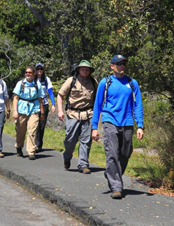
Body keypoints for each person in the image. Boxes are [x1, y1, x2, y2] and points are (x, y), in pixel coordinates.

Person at [91, 55, 144, 199]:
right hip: (110, 121)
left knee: (126, 152)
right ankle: (116, 187)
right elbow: (97, 105)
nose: (122, 66)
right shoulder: (105, 82)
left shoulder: (132, 83)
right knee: (112, 153)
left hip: (127, 122)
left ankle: (111, 172)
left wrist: (140, 125)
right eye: (119, 64)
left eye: (124, 64)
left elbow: (137, 104)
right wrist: (94, 127)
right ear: (112, 66)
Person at [57, 60, 98, 174]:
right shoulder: (71, 81)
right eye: (83, 69)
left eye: (87, 69)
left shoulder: (94, 82)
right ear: (78, 70)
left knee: (86, 141)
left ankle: (83, 164)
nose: (85, 71)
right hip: (73, 114)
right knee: (70, 140)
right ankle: (67, 156)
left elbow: (99, 99)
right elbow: (60, 95)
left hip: (88, 114)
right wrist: (60, 111)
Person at [13, 66, 45, 160]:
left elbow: (40, 98)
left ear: (33, 73)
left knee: (32, 130)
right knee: (20, 131)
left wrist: (42, 112)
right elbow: (15, 98)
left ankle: (31, 151)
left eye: (30, 72)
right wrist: (15, 111)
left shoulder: (37, 84)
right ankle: (19, 147)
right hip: (22, 109)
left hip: (34, 108)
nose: (28, 74)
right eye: (26, 72)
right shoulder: (20, 83)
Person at [34, 62, 55, 152]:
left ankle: (39, 145)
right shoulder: (32, 79)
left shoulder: (46, 80)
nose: (39, 71)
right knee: (34, 125)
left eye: (41, 69)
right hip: (34, 104)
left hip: (44, 104)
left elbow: (50, 92)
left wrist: (53, 104)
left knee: (42, 125)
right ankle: (33, 144)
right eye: (38, 69)